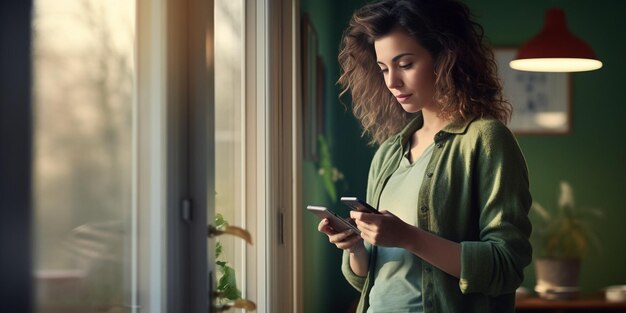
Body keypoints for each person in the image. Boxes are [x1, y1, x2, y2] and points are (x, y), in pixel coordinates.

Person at [316, 0, 533, 312]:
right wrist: (355, 247)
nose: (392, 82)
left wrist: (409, 237)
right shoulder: (389, 153)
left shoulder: (485, 140)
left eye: (405, 65)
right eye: (384, 69)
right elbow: (370, 280)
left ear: (445, 58)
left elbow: (506, 266)